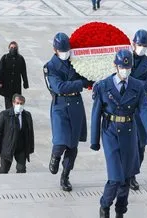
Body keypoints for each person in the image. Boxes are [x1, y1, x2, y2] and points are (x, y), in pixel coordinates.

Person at [90, 49, 147, 218]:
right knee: (115, 177)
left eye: (127, 67)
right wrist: (94, 140)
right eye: (122, 67)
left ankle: (120, 210)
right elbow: (96, 112)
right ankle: (105, 205)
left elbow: (144, 108)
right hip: (110, 132)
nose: (125, 70)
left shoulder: (137, 86)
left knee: (126, 178)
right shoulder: (103, 86)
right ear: (115, 65)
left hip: (129, 133)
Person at [44, 32, 93, 192]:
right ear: (55, 50)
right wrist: (80, 83)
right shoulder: (50, 66)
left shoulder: (75, 61)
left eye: (67, 49)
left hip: (76, 104)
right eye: (62, 50)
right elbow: (59, 87)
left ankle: (65, 175)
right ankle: (55, 156)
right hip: (60, 105)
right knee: (60, 140)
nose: (65, 53)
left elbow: (88, 77)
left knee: (73, 145)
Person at [129, 29, 147, 191]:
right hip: (124, 105)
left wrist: (129, 80)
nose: (142, 48)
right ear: (133, 43)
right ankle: (124, 173)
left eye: (144, 45)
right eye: (139, 45)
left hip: (140, 105)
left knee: (141, 144)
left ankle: (133, 174)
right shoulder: (124, 57)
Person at [0, 94, 34, 174]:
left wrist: (30, 148)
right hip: (7, 147)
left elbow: (30, 133)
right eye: (17, 103)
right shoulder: (4, 115)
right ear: (13, 103)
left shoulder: (27, 115)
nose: (19, 105)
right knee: (4, 169)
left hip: (21, 148)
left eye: (21, 103)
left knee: (21, 169)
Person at [0, 41, 29, 109]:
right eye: (11, 47)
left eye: (15, 47)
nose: (13, 49)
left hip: (16, 84)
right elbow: (0, 70)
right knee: (8, 101)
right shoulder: (5, 57)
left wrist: (25, 82)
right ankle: (8, 115)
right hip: (6, 83)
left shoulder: (20, 58)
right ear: (9, 48)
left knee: (17, 100)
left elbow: (23, 71)